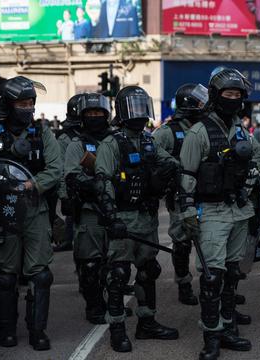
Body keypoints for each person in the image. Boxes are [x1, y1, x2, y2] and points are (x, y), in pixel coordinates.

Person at [178, 68, 260, 359]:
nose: (233, 99)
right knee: (212, 277)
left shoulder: (242, 130)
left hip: (240, 210)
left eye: (238, 95)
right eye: (228, 94)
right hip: (213, 212)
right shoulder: (198, 132)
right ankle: (212, 336)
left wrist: (256, 171)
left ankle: (229, 328)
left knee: (232, 274)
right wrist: (188, 212)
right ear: (215, 96)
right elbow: (186, 175)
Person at [0, 76, 62, 350]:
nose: (27, 108)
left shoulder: (42, 132)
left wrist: (31, 184)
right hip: (4, 213)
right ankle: (7, 330)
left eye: (30, 103)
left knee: (40, 274)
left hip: (34, 210)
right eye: (22, 103)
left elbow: (56, 169)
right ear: (8, 105)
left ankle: (38, 331)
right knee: (5, 274)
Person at [94, 86, 179, 353]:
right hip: (123, 217)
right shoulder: (111, 143)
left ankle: (147, 322)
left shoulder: (149, 141)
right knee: (118, 274)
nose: (140, 114)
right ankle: (117, 329)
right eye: (135, 108)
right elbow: (102, 181)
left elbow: (171, 163)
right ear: (122, 111)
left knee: (148, 270)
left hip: (146, 217)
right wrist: (110, 217)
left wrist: (171, 172)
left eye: (144, 108)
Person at [153, 83, 209, 305]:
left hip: (207, 194)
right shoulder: (168, 132)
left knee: (211, 240)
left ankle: (213, 285)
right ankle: (184, 284)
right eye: (201, 102)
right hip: (180, 196)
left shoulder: (207, 128)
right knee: (183, 241)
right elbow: (152, 157)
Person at [62, 93, 113, 324]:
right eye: (90, 114)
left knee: (116, 264)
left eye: (98, 113)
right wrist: (93, 183)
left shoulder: (116, 140)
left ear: (107, 114)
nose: (95, 117)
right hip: (90, 211)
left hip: (116, 210)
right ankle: (94, 307)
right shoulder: (77, 144)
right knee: (90, 263)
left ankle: (113, 304)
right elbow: (72, 175)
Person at [55, 95, 84, 252]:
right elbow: (60, 169)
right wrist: (64, 195)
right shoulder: (65, 139)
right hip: (75, 187)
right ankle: (67, 239)